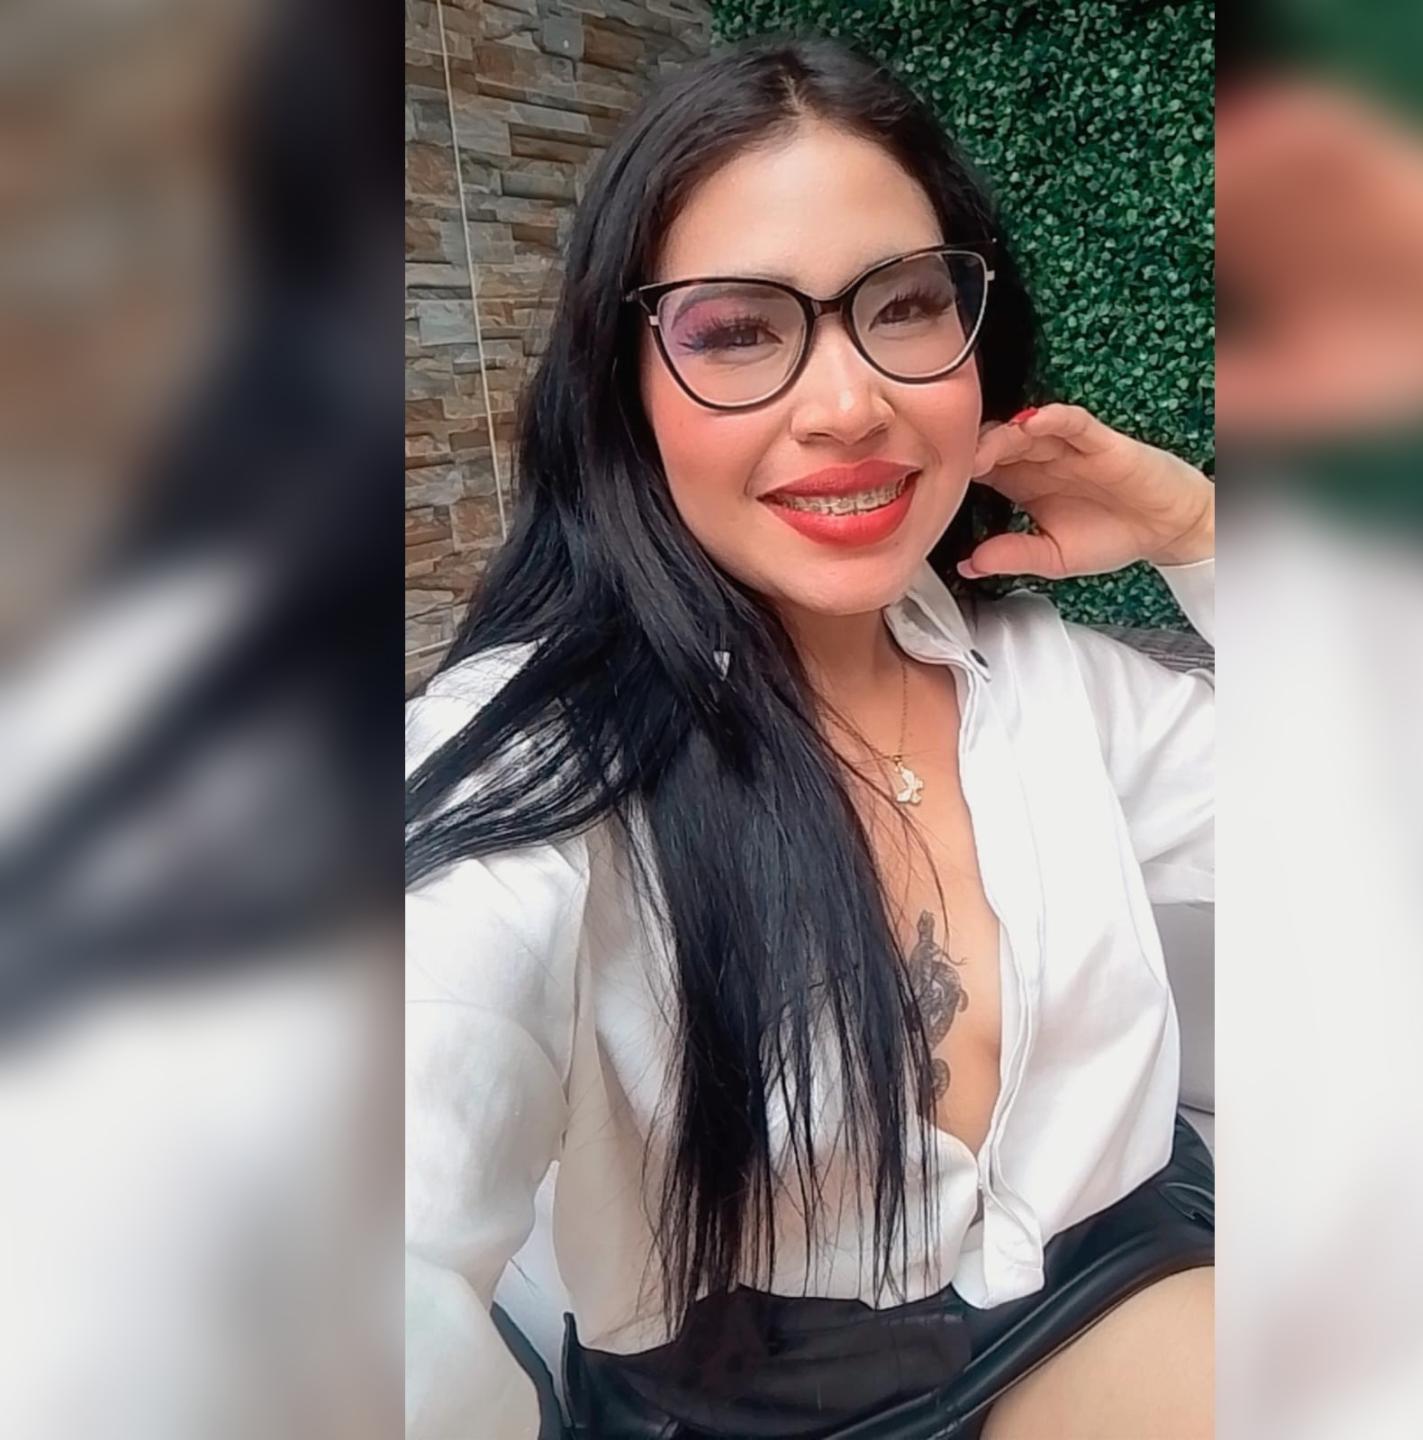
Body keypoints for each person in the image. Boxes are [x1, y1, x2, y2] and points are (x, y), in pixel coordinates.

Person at [406, 35, 1215, 1440]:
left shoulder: (1055, 688)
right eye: (736, 330)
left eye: (905, 306)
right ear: (624, 386)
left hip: (1110, 1271)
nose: (849, 405)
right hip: (756, 1402)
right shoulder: (544, 752)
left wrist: (1201, 531)